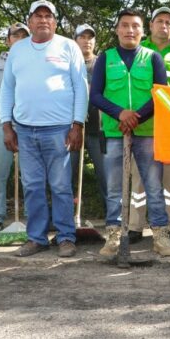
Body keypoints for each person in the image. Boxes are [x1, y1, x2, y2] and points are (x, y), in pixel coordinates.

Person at [0, 0, 88, 258]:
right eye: (37, 16)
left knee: (61, 185)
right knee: (32, 185)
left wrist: (78, 124)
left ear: (55, 22)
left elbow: (81, 87)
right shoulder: (18, 50)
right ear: (29, 22)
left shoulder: (68, 46)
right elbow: (7, 88)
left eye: (48, 16)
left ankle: (65, 237)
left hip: (60, 129)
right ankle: (36, 238)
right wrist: (7, 125)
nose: (43, 20)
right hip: (25, 130)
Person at [90, 9, 170, 258]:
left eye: (135, 26)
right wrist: (120, 114)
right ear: (117, 29)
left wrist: (136, 117)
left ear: (142, 30)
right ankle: (114, 235)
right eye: (124, 25)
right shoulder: (106, 58)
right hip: (115, 132)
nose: (130, 30)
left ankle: (160, 234)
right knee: (115, 187)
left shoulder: (152, 58)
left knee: (153, 185)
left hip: (147, 130)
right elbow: (96, 95)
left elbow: (161, 93)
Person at [131, 6, 170, 244]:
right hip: (143, 126)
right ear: (151, 25)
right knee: (139, 179)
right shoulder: (138, 51)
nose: (164, 25)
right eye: (159, 21)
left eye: (169, 22)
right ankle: (135, 226)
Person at [0, 22, 30, 236]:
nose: (19, 39)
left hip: (29, 127)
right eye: (15, 35)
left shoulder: (35, 62)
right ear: (8, 40)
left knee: (30, 176)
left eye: (24, 35)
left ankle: (33, 217)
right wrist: (0, 115)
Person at [72, 23, 107, 209]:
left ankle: (112, 218)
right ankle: (68, 217)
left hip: (98, 127)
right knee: (67, 174)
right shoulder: (68, 63)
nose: (87, 41)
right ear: (75, 40)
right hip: (72, 128)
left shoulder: (103, 63)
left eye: (90, 37)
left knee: (105, 174)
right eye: (82, 37)